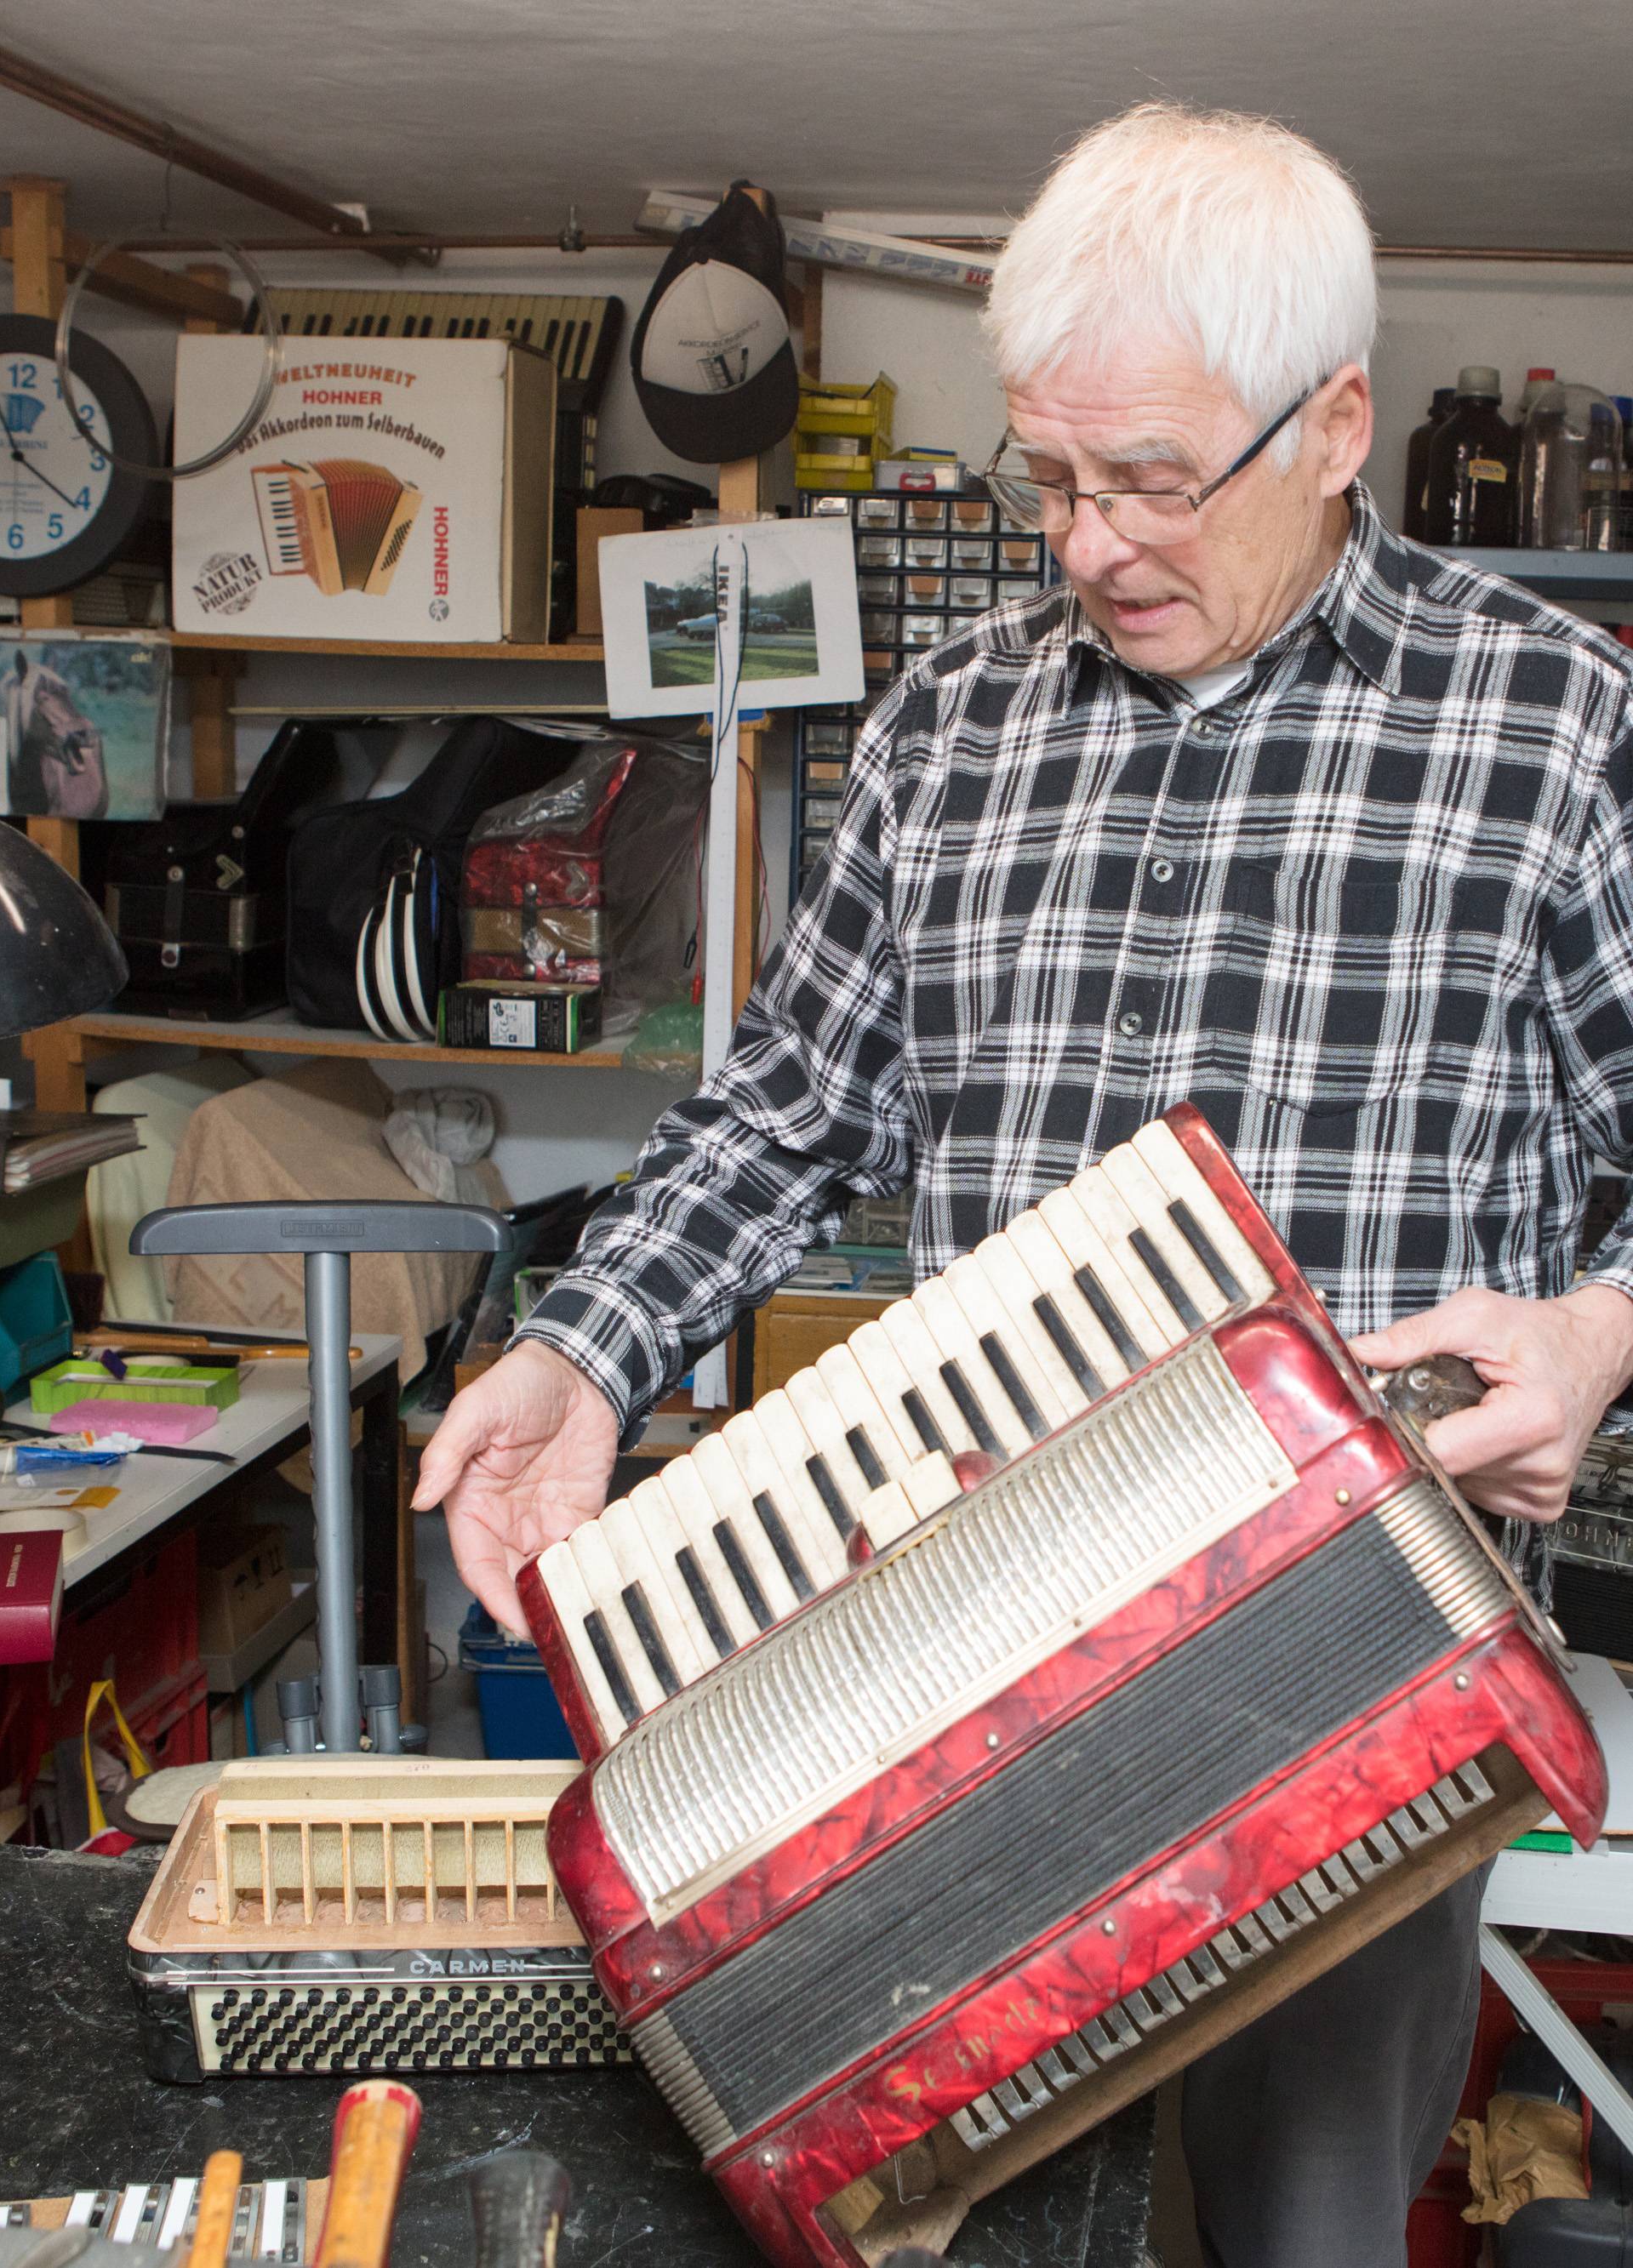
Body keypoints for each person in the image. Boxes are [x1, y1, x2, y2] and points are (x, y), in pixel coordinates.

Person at [415, 102, 1633, 2268]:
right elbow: (785, 1099)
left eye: (1151, 479)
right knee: (956, 2226)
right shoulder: (948, 727)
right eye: (1047, 476)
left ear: (1337, 423)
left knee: (1310, 2238)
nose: (1084, 541)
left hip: (1359, 1687)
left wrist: (1596, 1331)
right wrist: (584, 1350)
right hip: (958, 1680)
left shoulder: (1560, 725)